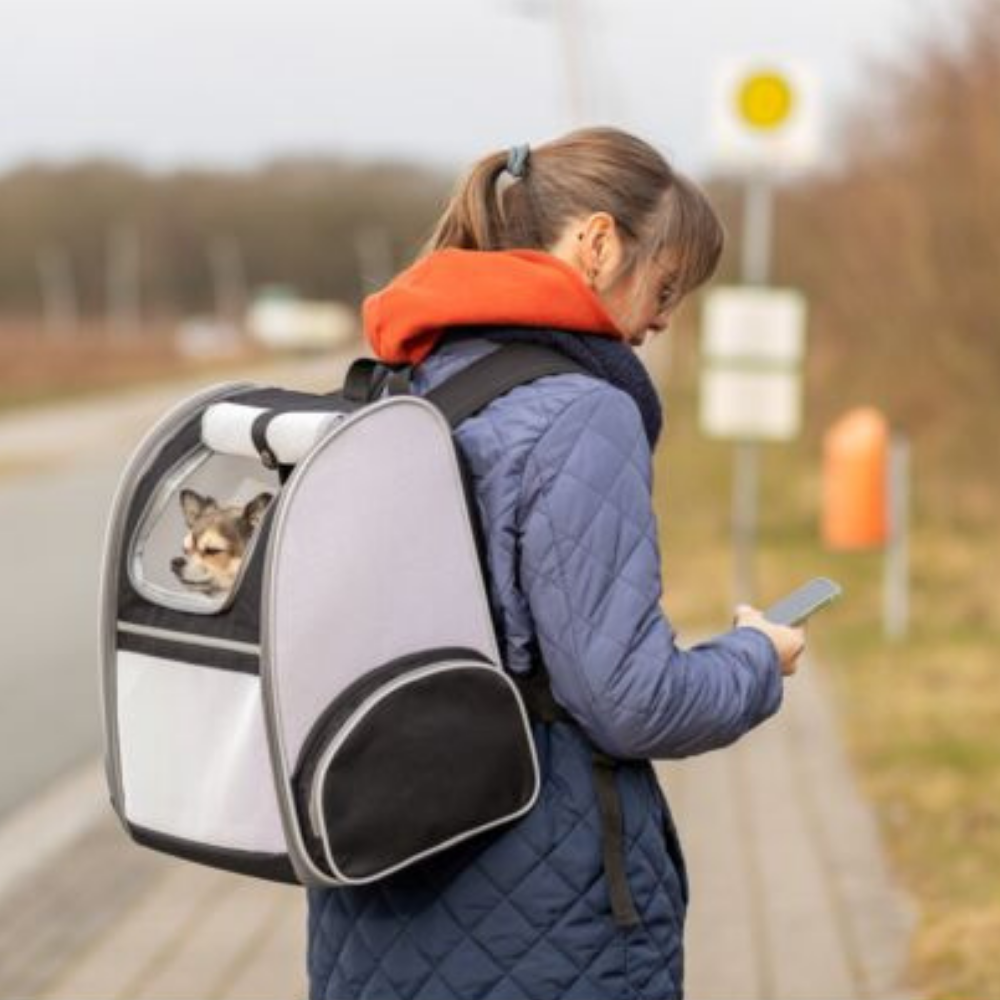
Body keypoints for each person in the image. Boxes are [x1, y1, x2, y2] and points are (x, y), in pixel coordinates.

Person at [307, 126, 805, 1000]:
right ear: (600, 241)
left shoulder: (402, 383)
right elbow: (632, 703)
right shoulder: (582, 413)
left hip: (371, 878)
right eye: (666, 284)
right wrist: (759, 659)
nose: (662, 318)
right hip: (541, 900)